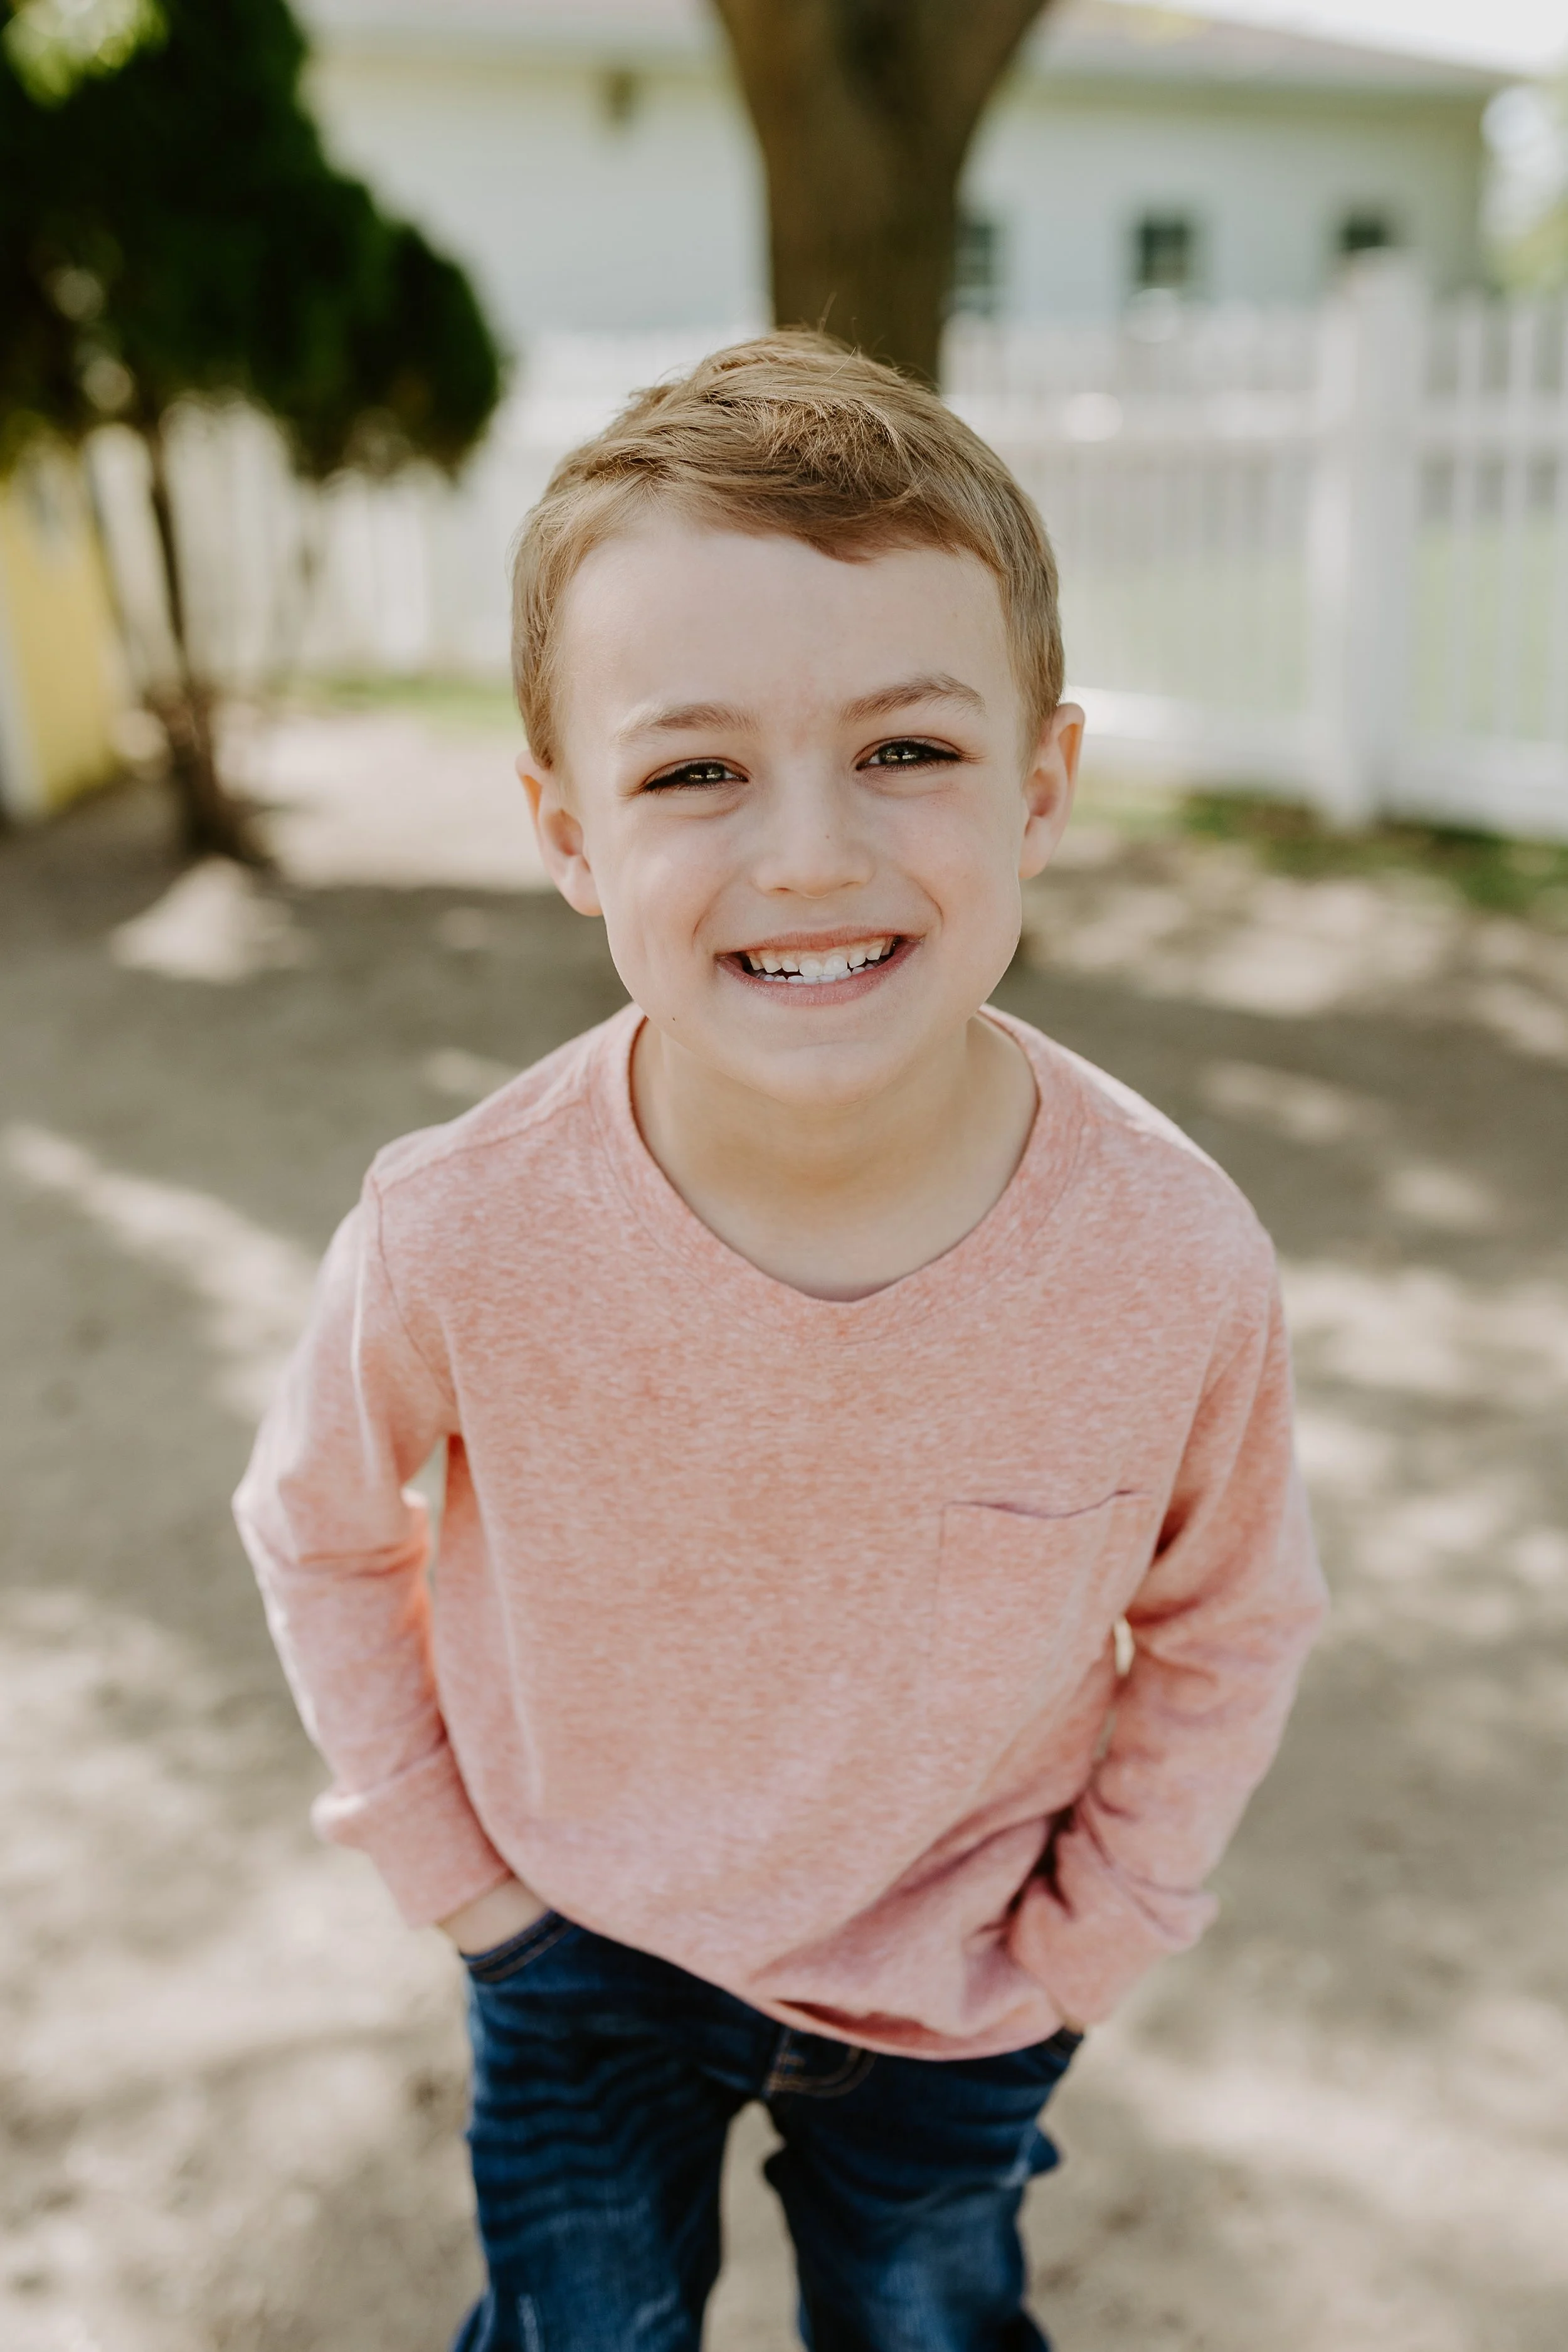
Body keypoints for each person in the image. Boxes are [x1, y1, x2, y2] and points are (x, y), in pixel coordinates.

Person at [234, 332, 1325, 2352]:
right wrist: (463, 1881)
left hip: (963, 1964)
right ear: (569, 830)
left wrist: (1089, 1943)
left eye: (906, 748)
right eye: (694, 769)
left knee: (926, 2321)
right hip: (577, 1939)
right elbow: (314, 1529)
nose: (807, 850)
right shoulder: (459, 1225)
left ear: (1043, 783)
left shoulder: (1169, 1253)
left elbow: (1230, 1615)